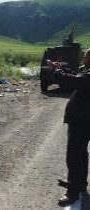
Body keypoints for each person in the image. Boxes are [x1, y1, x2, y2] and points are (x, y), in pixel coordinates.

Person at [47, 48, 90, 207]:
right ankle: (79, 183)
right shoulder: (87, 71)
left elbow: (74, 81)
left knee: (74, 155)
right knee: (80, 154)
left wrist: (57, 71)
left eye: (86, 56)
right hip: (82, 118)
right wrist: (61, 69)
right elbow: (76, 76)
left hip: (82, 120)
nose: (83, 59)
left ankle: (73, 192)